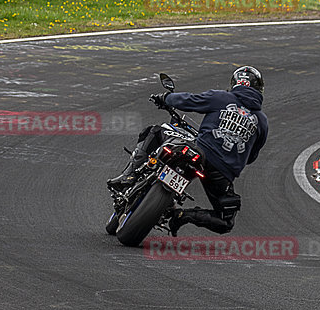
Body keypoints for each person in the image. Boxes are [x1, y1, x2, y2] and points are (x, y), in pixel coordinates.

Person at [107, 66, 268, 236]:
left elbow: (189, 100)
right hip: (222, 173)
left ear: (235, 84)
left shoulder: (222, 97)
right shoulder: (262, 121)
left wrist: (165, 97)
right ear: (259, 89)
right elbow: (251, 157)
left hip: (203, 153)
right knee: (225, 221)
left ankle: (129, 175)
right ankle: (183, 216)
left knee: (155, 131)